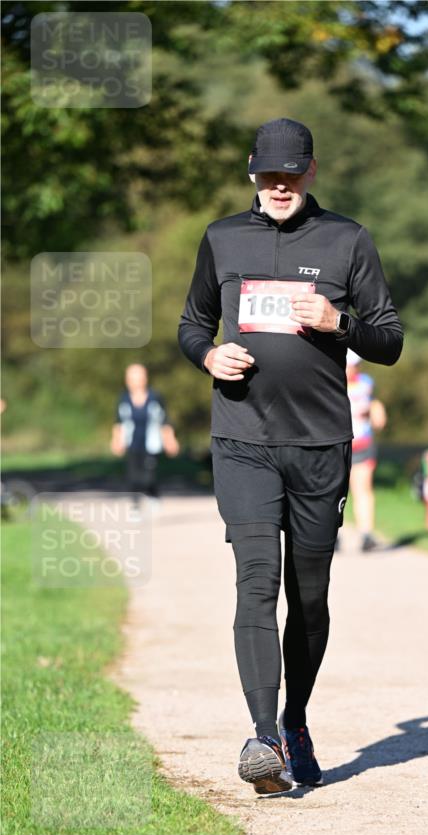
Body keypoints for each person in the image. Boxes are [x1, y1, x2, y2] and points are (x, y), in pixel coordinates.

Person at [178, 118, 403, 795]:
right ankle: (261, 736)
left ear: (309, 171)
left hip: (320, 446)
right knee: (255, 579)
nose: (278, 185)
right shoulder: (221, 238)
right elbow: (192, 324)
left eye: (290, 173)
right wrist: (208, 355)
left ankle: (294, 717)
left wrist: (340, 324)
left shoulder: (347, 240)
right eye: (266, 174)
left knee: (309, 599)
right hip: (242, 439)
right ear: (252, 171)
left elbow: (389, 340)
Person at [110, 364, 179, 506]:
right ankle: (135, 504)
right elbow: (119, 422)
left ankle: (153, 494)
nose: (135, 381)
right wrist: (116, 441)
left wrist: (170, 440)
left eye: (139, 377)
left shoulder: (155, 397)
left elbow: (164, 421)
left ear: (145, 378)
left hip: (151, 444)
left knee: (148, 476)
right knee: (133, 476)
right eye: (132, 378)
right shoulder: (123, 399)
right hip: (132, 443)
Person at [345, 349, 387, 552]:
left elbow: (374, 405)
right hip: (337, 444)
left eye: (353, 365)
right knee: (335, 491)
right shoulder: (328, 381)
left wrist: (377, 411)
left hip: (362, 442)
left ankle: (366, 534)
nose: (350, 369)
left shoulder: (366, 383)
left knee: (363, 489)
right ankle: (333, 535)